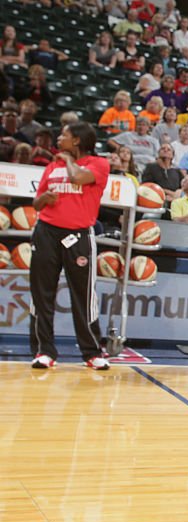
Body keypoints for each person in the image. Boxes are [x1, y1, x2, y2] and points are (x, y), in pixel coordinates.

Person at [28, 122, 111, 370]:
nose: (59, 138)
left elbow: (77, 177)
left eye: (64, 135)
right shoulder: (51, 167)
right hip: (46, 232)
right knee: (41, 295)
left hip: (78, 235)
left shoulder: (98, 164)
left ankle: (92, 352)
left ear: (76, 141)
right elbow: (36, 203)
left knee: (83, 297)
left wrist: (67, 160)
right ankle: (44, 351)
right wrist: (45, 198)